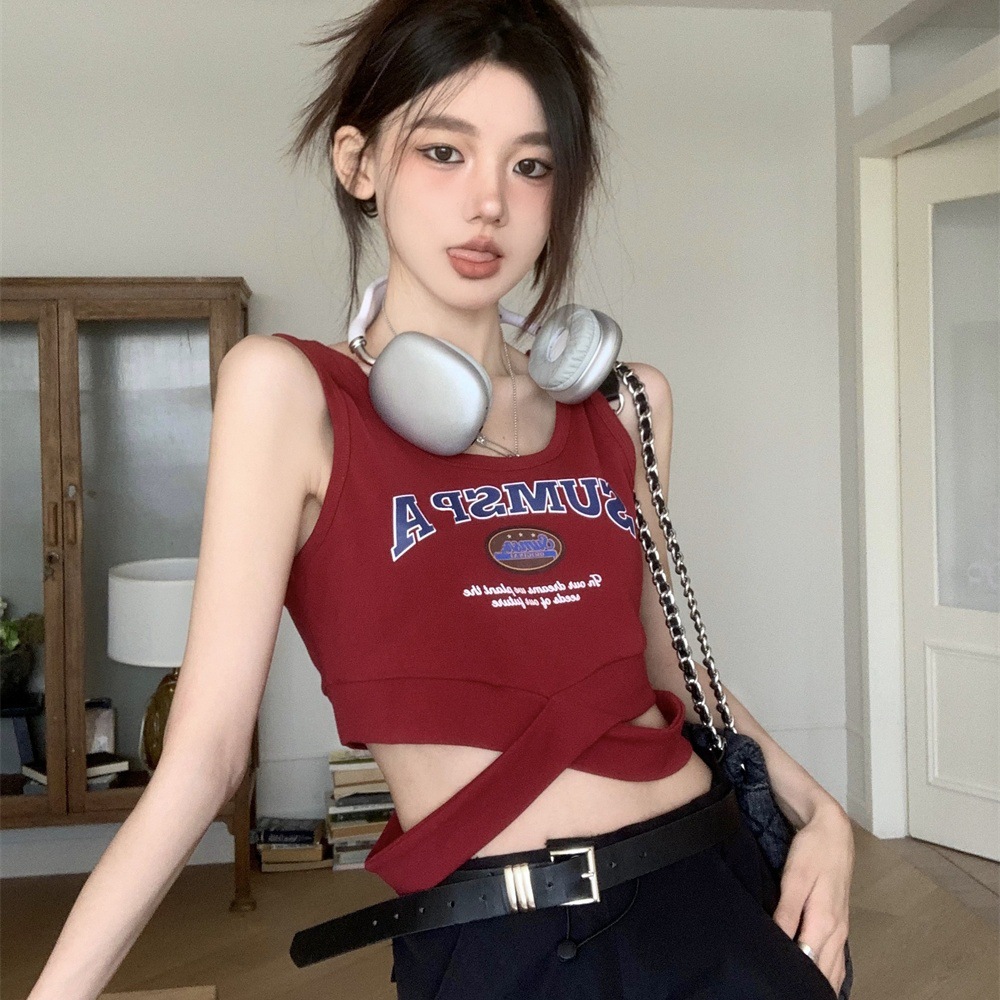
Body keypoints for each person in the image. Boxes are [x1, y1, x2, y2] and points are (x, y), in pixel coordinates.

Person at [27, 2, 854, 999]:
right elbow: (203, 758)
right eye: (443, 151)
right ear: (359, 164)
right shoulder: (291, 393)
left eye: (530, 165)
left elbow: (669, 669)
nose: (489, 203)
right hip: (498, 943)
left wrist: (822, 815)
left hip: (707, 888)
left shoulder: (624, 403)